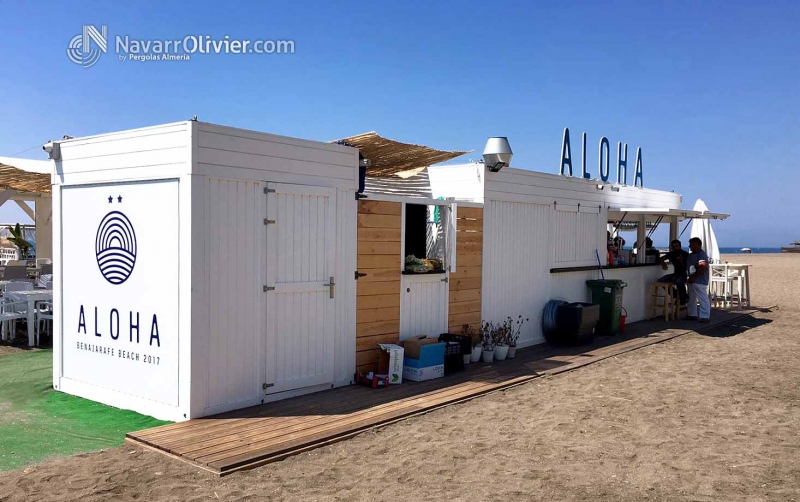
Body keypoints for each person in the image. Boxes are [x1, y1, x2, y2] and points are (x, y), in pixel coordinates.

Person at [686, 237, 710, 322]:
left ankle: (704, 316)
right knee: (692, 298)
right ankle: (693, 314)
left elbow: (702, 267)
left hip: (699, 280)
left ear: (697, 245)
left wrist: (694, 277)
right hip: (692, 280)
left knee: (702, 298)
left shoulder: (701, 254)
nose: (690, 246)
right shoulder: (692, 254)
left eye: (691, 245)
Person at [658, 239, 689, 303]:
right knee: (661, 281)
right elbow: (661, 258)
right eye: (673, 246)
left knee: (679, 282)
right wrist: (663, 263)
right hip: (676, 274)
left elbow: (687, 267)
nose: (675, 248)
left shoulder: (685, 254)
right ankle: (677, 295)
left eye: (676, 246)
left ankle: (683, 299)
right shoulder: (672, 254)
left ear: (680, 246)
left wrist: (681, 261)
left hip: (684, 274)